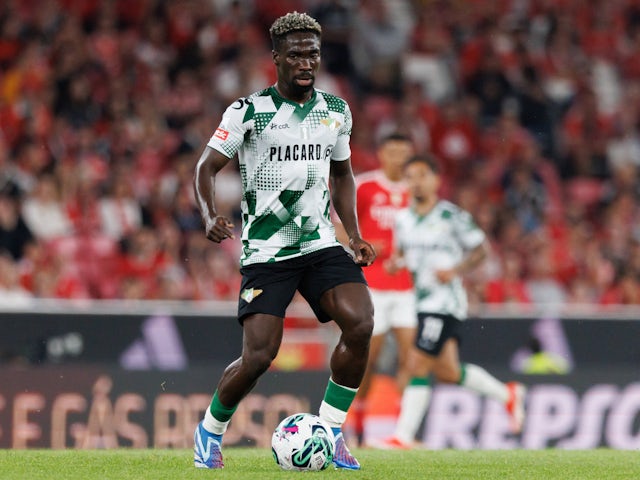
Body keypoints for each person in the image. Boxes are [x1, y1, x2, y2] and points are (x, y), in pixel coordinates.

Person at [192, 12, 376, 470]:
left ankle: (331, 430)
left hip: (318, 243)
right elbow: (206, 168)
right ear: (275, 58)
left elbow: (343, 173)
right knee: (258, 357)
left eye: (312, 53)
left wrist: (353, 235)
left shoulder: (336, 111)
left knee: (361, 322)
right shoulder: (248, 111)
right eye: (295, 53)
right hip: (267, 250)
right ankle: (209, 432)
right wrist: (209, 213)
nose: (305, 61)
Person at [378, 153, 526, 449]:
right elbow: (404, 255)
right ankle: (508, 395)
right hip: (421, 302)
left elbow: (480, 250)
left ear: (436, 180)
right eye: (410, 177)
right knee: (447, 371)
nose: (416, 182)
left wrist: (455, 270)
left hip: (445, 303)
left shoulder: (451, 216)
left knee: (417, 362)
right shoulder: (403, 220)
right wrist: (397, 263)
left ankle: (403, 438)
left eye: (422, 175)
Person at [339, 133, 415, 447]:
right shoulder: (366, 185)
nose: (398, 157)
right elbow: (339, 225)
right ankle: (359, 427)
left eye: (404, 151)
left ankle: (404, 431)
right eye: (393, 151)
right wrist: (361, 245)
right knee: (369, 360)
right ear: (381, 153)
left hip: (409, 286)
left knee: (414, 359)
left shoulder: (417, 190)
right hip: (375, 287)